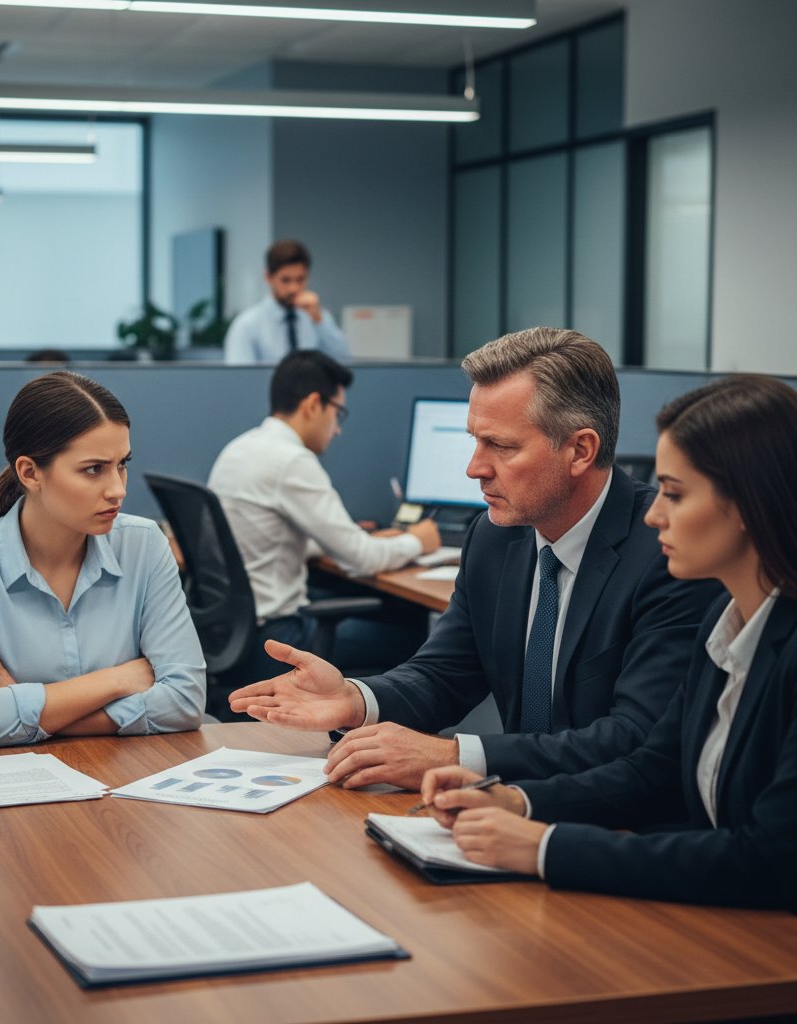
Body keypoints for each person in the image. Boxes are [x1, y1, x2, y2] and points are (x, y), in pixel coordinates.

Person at [229, 327, 720, 790]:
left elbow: (633, 739)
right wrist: (354, 700)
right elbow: (444, 673)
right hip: (503, 815)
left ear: (580, 450)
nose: (473, 468)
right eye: (474, 440)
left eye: (500, 446)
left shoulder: (667, 553)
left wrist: (453, 757)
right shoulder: (493, 537)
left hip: (615, 828)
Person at [419, 375, 797, 910]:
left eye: (675, 493)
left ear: (748, 506)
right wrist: (517, 801)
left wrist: (547, 848)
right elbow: (654, 770)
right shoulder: (728, 619)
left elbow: (773, 860)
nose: (653, 513)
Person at [0, 371, 205, 749]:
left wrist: (25, 699)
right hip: (3, 785)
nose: (118, 489)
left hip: (123, 777)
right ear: (29, 472)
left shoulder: (144, 544)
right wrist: (119, 679)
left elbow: (185, 702)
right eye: (94, 469)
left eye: (122, 463)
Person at [209, 350, 440, 683]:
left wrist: (361, 541)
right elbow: (362, 560)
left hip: (235, 635)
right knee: (414, 632)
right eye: (338, 412)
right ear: (313, 404)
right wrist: (418, 541)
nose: (337, 430)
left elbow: (262, 541)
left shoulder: (241, 448)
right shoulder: (291, 461)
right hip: (279, 639)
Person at [223, 240, 349, 364]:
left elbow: (343, 362)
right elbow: (240, 379)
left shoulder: (317, 318)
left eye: (300, 279)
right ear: (268, 277)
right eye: (285, 280)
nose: (293, 288)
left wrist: (319, 322)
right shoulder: (246, 326)